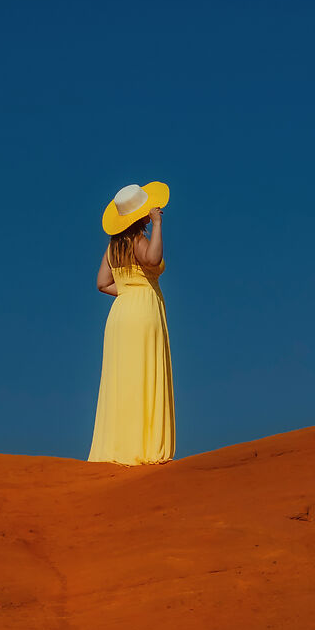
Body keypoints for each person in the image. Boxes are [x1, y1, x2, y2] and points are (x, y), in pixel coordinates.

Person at [88, 182, 175, 464]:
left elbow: (102, 283)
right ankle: (146, 449)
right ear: (140, 216)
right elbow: (153, 257)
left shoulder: (113, 248)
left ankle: (118, 448)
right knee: (143, 374)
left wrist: (126, 288)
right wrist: (158, 224)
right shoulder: (137, 240)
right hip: (143, 311)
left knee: (123, 379)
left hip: (120, 314)